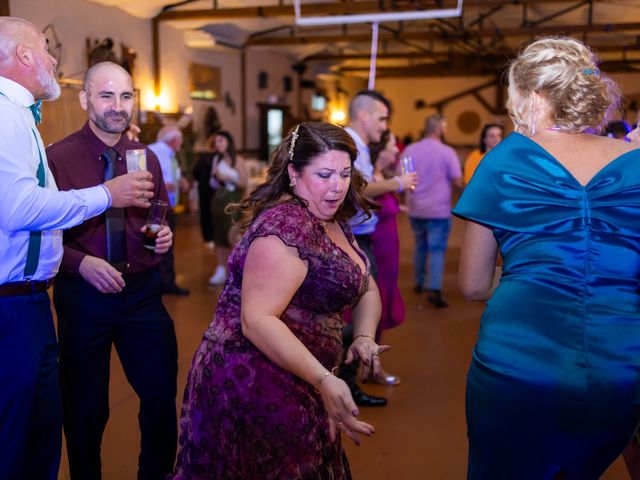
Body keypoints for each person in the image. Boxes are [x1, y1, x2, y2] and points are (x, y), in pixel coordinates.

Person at [453, 36, 640, 478]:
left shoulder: (503, 161)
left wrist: (533, 277)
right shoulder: (635, 162)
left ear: (533, 97)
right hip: (621, 363)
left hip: (519, 364)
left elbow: (474, 284)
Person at [171, 122, 389, 479]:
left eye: (345, 174)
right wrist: (322, 379)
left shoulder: (333, 219)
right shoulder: (285, 227)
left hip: (305, 376)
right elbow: (257, 320)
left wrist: (364, 336)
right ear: (293, 173)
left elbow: (365, 284)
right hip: (254, 381)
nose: (337, 185)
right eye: (324, 174)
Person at [0, 17, 154, 479]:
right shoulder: (6, 115)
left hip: (29, 301)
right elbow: (19, 209)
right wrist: (108, 195)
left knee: (38, 431)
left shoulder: (20, 116)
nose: (52, 61)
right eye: (46, 51)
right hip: (12, 306)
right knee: (18, 437)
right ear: (25, 56)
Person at [46, 61, 178, 480]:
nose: (118, 106)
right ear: (85, 99)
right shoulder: (56, 159)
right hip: (84, 296)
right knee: (86, 409)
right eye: (106, 95)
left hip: (142, 292)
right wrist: (81, 263)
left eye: (126, 96)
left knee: (159, 396)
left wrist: (162, 238)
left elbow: (159, 216)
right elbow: (41, 234)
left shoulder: (147, 158)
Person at [339, 90, 416, 407]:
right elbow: (360, 188)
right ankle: (346, 383)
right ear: (365, 115)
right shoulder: (348, 143)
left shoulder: (358, 146)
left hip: (360, 235)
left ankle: (353, 377)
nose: (385, 127)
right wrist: (399, 182)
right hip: (352, 236)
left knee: (363, 310)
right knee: (352, 317)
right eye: (382, 118)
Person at [403, 114, 462, 308]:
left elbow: (402, 178)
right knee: (436, 249)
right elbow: (457, 180)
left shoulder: (410, 150)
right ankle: (434, 288)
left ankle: (419, 283)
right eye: (444, 128)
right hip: (438, 209)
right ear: (438, 129)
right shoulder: (447, 152)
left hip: (416, 207)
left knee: (420, 245)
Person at [369, 130, 406, 385]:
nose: (397, 150)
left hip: (388, 253)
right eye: (393, 145)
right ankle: (373, 365)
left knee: (381, 306)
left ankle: (372, 363)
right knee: (373, 308)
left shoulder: (382, 176)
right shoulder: (370, 178)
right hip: (376, 251)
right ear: (381, 150)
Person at [148, 124, 190, 296]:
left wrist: (181, 182)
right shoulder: (154, 151)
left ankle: (165, 282)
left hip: (167, 208)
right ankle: (162, 284)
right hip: (155, 208)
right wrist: (163, 185)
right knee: (155, 245)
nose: (182, 142)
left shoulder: (170, 155)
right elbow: (143, 174)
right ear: (173, 139)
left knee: (166, 245)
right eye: (180, 139)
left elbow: (171, 176)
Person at [208, 130, 248, 285]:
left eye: (221, 141)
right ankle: (220, 269)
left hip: (234, 201)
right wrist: (216, 177)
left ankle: (235, 270)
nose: (218, 144)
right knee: (219, 236)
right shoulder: (216, 160)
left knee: (233, 236)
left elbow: (244, 184)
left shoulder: (238, 160)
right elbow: (212, 184)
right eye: (216, 141)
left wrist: (229, 177)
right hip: (218, 200)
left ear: (229, 142)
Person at [192, 135, 218, 249]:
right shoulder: (220, 157)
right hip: (217, 189)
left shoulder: (202, 157)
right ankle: (216, 236)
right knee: (215, 212)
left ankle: (208, 238)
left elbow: (195, 172)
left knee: (205, 212)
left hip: (203, 188)